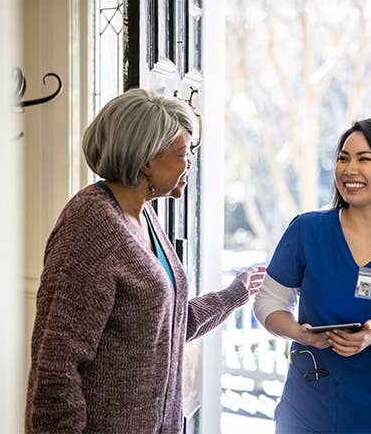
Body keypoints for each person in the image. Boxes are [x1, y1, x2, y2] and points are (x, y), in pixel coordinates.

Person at [25, 88, 265, 434]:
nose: (190, 164)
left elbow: (165, 325)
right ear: (147, 160)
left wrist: (235, 293)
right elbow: (57, 365)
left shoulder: (144, 217)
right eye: (182, 153)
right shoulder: (90, 224)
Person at [253, 118, 371, 433]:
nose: (348, 169)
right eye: (343, 158)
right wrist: (297, 332)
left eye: (364, 159)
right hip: (307, 409)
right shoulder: (307, 230)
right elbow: (268, 303)